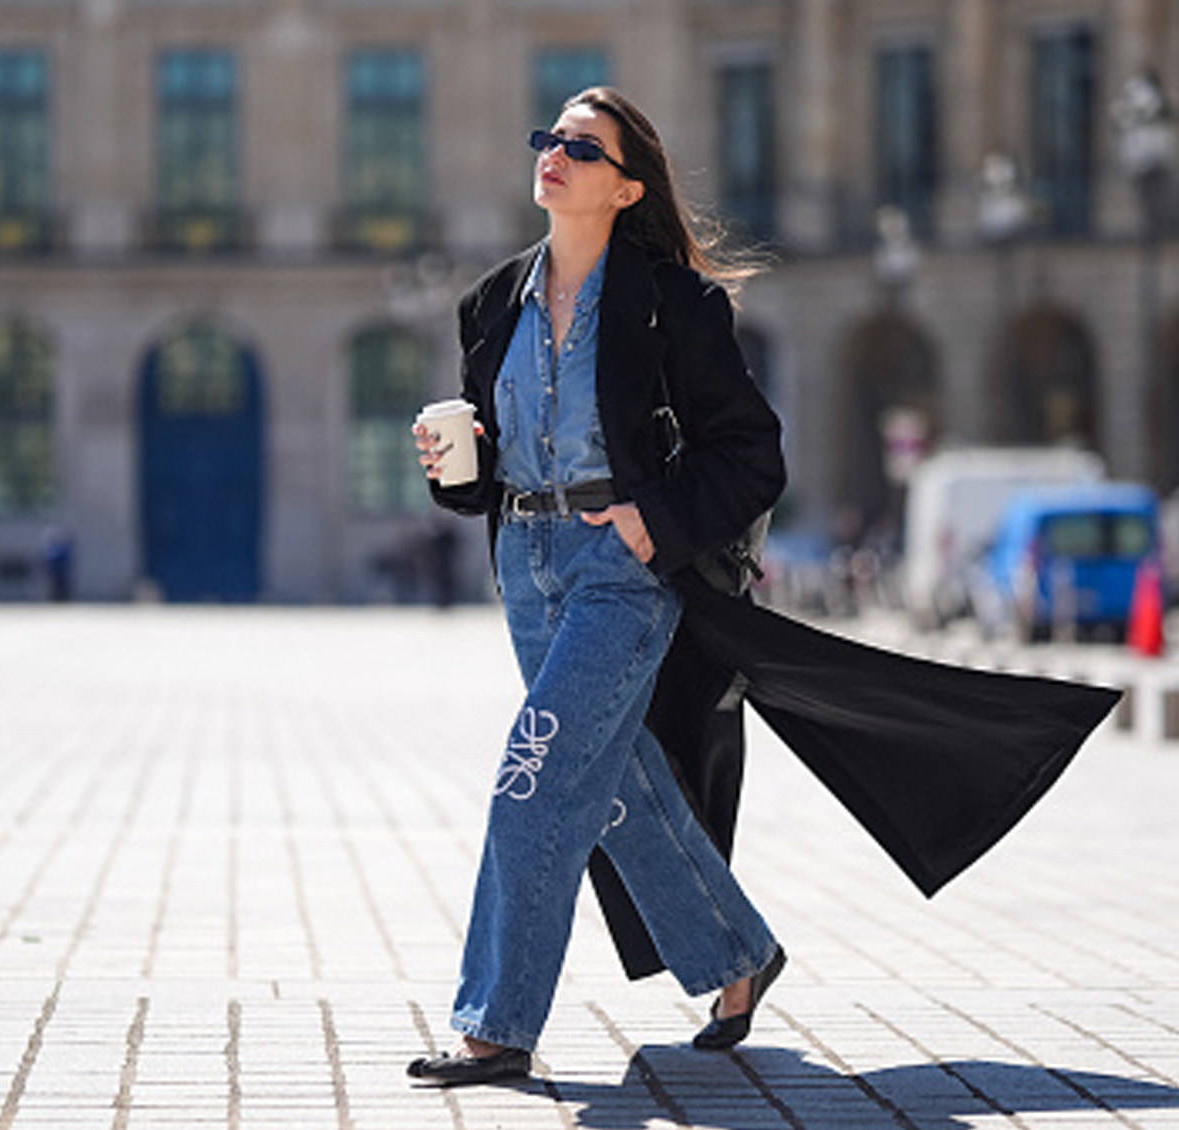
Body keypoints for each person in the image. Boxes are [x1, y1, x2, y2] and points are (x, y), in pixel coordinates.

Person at [409, 87, 787, 1086]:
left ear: (624, 188)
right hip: (524, 566)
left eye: (582, 148)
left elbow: (751, 453)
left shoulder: (670, 303)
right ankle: (737, 955)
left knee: (532, 777)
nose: (554, 156)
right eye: (548, 140)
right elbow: (487, 478)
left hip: (621, 571)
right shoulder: (492, 304)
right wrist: (456, 468)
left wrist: (647, 518)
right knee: (618, 785)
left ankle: (494, 1023)